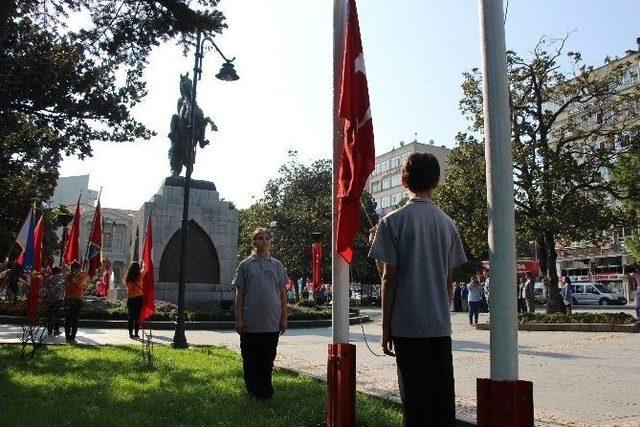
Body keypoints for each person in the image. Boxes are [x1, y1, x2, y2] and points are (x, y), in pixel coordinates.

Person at [369, 152, 467, 427]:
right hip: (438, 325)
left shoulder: (392, 222)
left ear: (403, 180)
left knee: (414, 399)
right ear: (436, 181)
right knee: (441, 398)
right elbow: (448, 279)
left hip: (406, 325)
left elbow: (389, 277)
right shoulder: (448, 223)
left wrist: (386, 326)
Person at [233, 227, 288, 401]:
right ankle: (252, 391)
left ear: (271, 242)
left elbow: (283, 293)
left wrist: (284, 317)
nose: (263, 241)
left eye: (266, 238)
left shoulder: (277, 265)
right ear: (253, 242)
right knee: (250, 361)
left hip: (271, 322)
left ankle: (266, 392)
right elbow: (239, 294)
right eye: (259, 238)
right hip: (250, 323)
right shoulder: (245, 265)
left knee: (267, 360)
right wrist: (239, 319)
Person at [64, 261, 89, 343]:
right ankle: (72, 337)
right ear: (79, 268)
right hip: (78, 299)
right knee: (75, 320)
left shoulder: (67, 276)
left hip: (68, 299)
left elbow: (65, 287)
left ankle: (67, 337)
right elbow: (87, 270)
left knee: (67, 319)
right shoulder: (81, 276)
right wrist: (87, 262)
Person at [124, 261, 144, 339]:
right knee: (137, 317)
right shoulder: (140, 276)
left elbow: (129, 289)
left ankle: (130, 334)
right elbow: (144, 269)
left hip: (131, 299)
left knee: (131, 317)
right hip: (139, 298)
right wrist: (143, 263)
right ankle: (136, 334)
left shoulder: (127, 278)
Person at [44, 267, 65, 336]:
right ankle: (56, 330)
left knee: (50, 315)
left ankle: (49, 330)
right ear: (59, 271)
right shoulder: (61, 277)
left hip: (50, 299)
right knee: (57, 315)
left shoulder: (50, 278)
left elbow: (46, 288)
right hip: (58, 299)